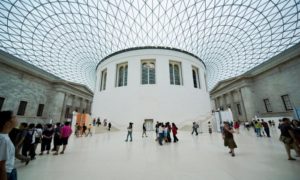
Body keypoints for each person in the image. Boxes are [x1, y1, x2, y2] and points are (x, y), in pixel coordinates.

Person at [0, 110, 18, 180]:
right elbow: (1, 166)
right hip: (7, 173)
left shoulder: (5, 136)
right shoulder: (4, 140)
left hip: (10, 170)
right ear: (7, 122)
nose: (17, 118)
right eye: (14, 117)